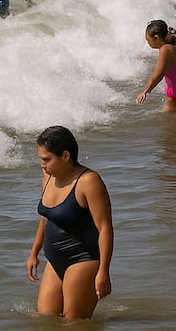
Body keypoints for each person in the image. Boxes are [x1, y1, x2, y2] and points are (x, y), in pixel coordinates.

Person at [26, 125, 113, 320]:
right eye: (41, 158)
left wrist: (103, 271)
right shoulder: (49, 177)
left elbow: (105, 227)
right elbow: (47, 217)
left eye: (47, 159)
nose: (42, 164)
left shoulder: (88, 181)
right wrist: (34, 253)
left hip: (83, 259)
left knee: (74, 324)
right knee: (45, 319)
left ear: (65, 155)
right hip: (54, 260)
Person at [138, 20, 176, 111]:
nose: (147, 43)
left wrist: (145, 91)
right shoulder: (170, 47)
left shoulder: (165, 50)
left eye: (148, 39)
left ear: (156, 38)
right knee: (172, 122)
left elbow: (158, 74)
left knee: (167, 122)